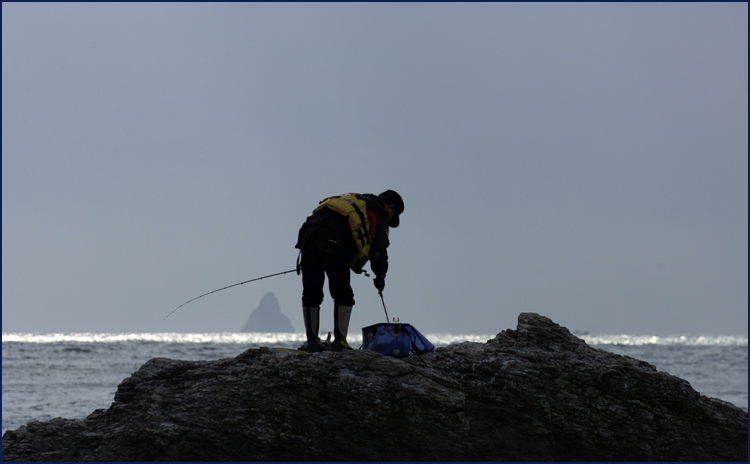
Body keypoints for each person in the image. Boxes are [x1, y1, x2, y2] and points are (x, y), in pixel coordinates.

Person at [294, 190, 404, 352]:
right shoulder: (377, 211)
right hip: (335, 244)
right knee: (343, 294)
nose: (389, 219)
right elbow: (379, 250)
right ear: (390, 208)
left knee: (311, 292)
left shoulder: (352, 200)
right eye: (392, 216)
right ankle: (340, 341)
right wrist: (380, 275)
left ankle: (312, 342)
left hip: (309, 241)